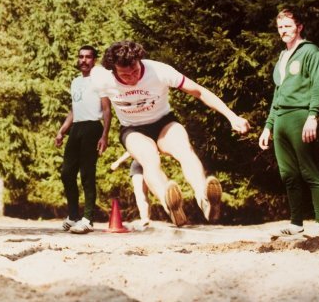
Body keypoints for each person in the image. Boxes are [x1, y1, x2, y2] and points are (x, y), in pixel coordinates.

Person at [92, 40, 250, 226]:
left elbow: (199, 91)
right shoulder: (103, 80)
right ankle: (171, 206)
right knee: (149, 159)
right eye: (125, 75)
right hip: (133, 129)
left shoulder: (159, 71)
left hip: (164, 122)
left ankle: (205, 199)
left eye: (135, 71)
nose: (132, 78)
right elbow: (90, 106)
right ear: (113, 70)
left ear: (140, 61)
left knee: (184, 150)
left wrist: (232, 116)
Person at [258, 9, 319, 236]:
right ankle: (296, 223)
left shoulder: (310, 52)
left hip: (301, 117)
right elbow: (278, 94)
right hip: (281, 120)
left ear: (299, 27)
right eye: (280, 27)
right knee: (288, 174)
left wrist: (312, 116)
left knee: (309, 171)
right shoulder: (282, 56)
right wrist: (268, 126)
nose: (283, 31)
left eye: (288, 26)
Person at [55, 46, 112, 234]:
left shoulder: (99, 81)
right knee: (67, 173)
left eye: (88, 57)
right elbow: (74, 110)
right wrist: (62, 131)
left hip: (92, 127)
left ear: (93, 60)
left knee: (87, 174)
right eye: (81, 57)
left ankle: (87, 219)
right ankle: (73, 216)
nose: (84, 60)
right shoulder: (75, 82)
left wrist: (104, 135)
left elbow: (106, 109)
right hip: (76, 128)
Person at [110, 151, 150, 229]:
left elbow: (131, 151)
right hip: (145, 166)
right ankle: (145, 218)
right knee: (143, 194)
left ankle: (145, 218)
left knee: (141, 193)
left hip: (142, 166)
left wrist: (117, 162)